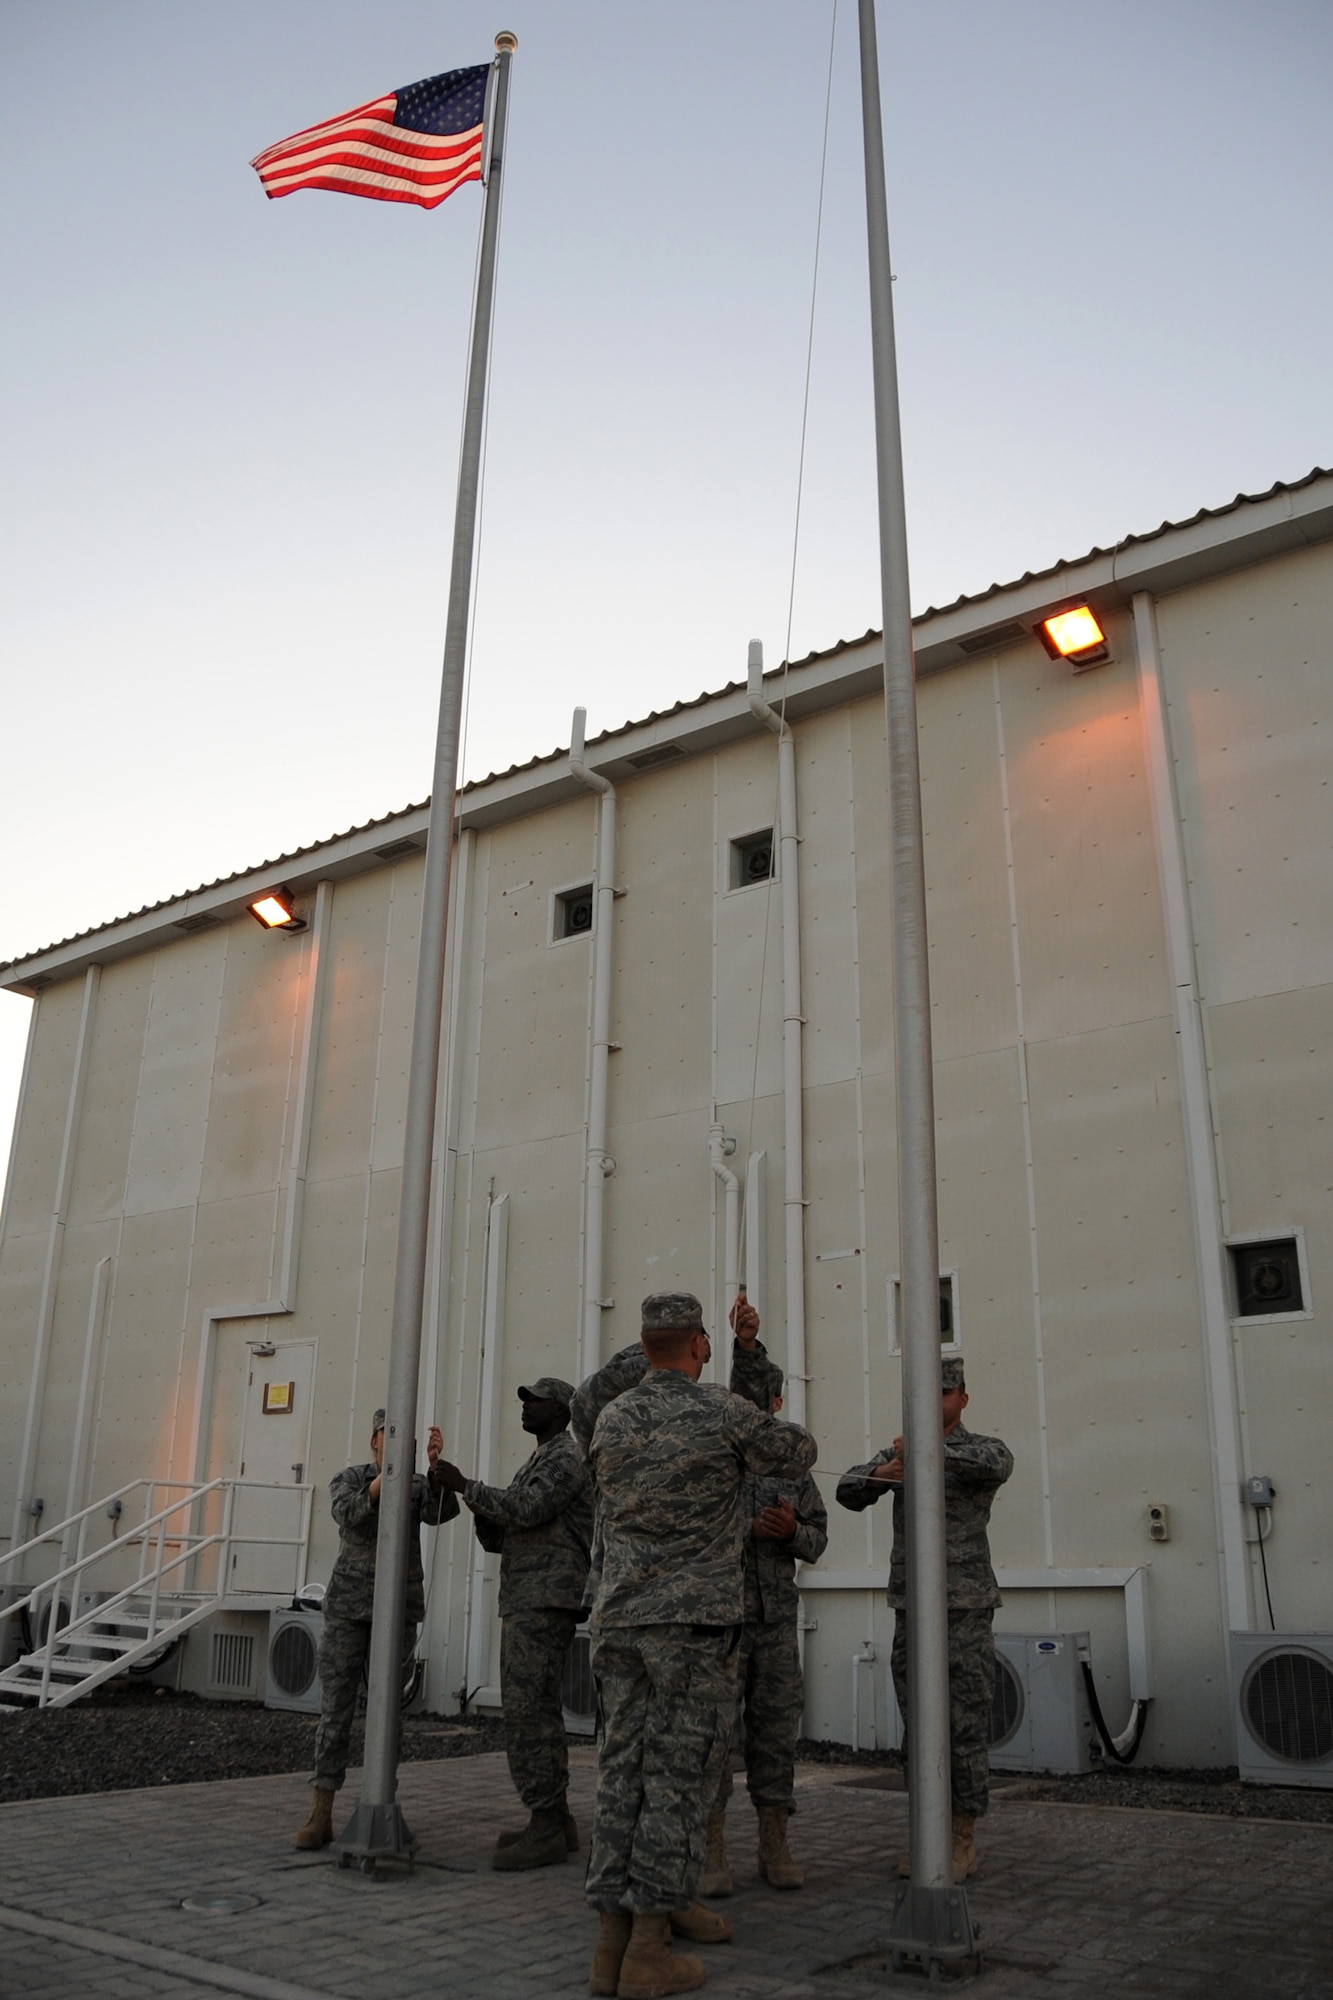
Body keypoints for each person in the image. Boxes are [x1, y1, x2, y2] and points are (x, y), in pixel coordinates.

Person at [583, 1292, 818, 2000]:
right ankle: (649, 1949)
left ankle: (610, 1948)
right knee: (675, 1780)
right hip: (690, 1630)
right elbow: (795, 1449)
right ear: (698, 1346)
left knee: (621, 1774)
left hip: (620, 1623)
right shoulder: (720, 1411)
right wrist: (747, 1380)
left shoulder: (611, 1417)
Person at [835, 1356, 1012, 1882]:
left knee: (962, 1723)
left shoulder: (980, 1450)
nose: (936, 1402)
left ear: (962, 1397)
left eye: (945, 1393)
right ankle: (927, 1831)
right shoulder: (900, 1451)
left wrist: (931, 1454)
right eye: (926, 1395)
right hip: (913, 1604)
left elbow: (995, 1465)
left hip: (962, 1607)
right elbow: (846, 1491)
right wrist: (880, 1473)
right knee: (920, 1724)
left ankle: (961, 1838)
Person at [432, 1377, 593, 1872]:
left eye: (536, 1401)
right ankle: (556, 1819)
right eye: (523, 1399)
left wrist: (466, 1486)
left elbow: (526, 1509)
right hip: (530, 1596)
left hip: (544, 1601)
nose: (525, 1406)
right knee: (538, 1710)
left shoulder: (566, 1458)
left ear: (562, 1412)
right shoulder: (541, 1459)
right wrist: (477, 1507)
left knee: (528, 1712)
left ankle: (545, 1824)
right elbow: (510, 1532)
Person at [699, 1294, 828, 1899]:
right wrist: (744, 1530)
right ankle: (713, 1847)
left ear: (782, 1402)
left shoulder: (792, 1467)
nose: (765, 1406)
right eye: (757, 1396)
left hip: (776, 1622)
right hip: (726, 1619)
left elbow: (819, 1538)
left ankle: (775, 1841)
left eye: (772, 1397)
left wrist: (791, 1532)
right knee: (717, 1734)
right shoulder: (724, 1454)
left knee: (775, 1733)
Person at [294, 1409, 458, 1850]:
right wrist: (383, 1483)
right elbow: (347, 1513)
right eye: (389, 1435)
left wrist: (435, 1468)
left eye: (402, 1436)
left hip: (398, 1609)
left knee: (387, 1714)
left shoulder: (418, 1485)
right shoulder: (351, 1477)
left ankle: (381, 1798)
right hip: (350, 1608)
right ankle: (321, 1809)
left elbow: (444, 1513)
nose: (394, 1443)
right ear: (374, 1441)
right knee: (336, 1710)